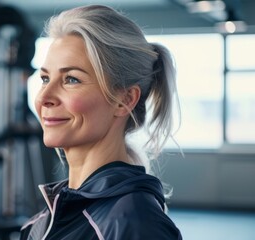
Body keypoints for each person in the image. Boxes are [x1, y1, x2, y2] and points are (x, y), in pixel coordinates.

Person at [20, 4, 182, 240]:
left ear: (124, 100)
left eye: (71, 79)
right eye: (45, 78)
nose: (43, 97)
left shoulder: (135, 224)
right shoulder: (41, 223)